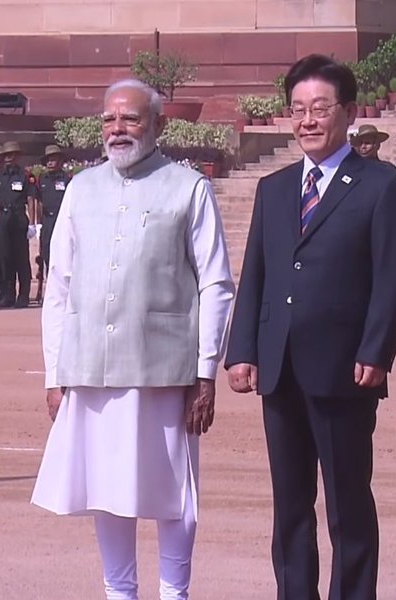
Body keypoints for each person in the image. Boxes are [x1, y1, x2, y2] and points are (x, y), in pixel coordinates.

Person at [30, 79, 235, 600]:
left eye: (131, 119)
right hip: (91, 367)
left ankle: (175, 592)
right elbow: (60, 285)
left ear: (159, 126)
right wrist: (56, 374)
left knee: (174, 495)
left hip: (165, 370)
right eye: (109, 120)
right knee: (107, 488)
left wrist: (206, 372)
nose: (117, 129)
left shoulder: (188, 187)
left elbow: (215, 282)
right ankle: (119, 593)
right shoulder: (81, 188)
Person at [224, 54, 396, 600]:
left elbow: (393, 277)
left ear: (348, 112)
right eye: (298, 109)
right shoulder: (275, 188)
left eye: (320, 109)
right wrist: (242, 349)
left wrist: (376, 350)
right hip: (279, 367)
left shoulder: (378, 185)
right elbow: (255, 272)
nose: (308, 120)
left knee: (348, 504)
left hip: (345, 370)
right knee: (290, 505)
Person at [0, 140, 37, 308]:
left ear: (17, 156)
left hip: (19, 220)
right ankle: (8, 295)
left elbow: (30, 199)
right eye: (5, 155)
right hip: (2, 221)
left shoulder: (25, 176)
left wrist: (33, 224)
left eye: (11, 155)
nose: (8, 158)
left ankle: (23, 295)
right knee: (5, 259)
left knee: (21, 260)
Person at [35, 145, 72, 291]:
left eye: (53, 160)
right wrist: (37, 224)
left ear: (61, 160)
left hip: (62, 220)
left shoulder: (67, 179)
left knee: (64, 254)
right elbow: (37, 202)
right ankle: (49, 289)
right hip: (47, 221)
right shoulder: (42, 179)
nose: (50, 163)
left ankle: (64, 289)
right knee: (46, 255)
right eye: (48, 160)